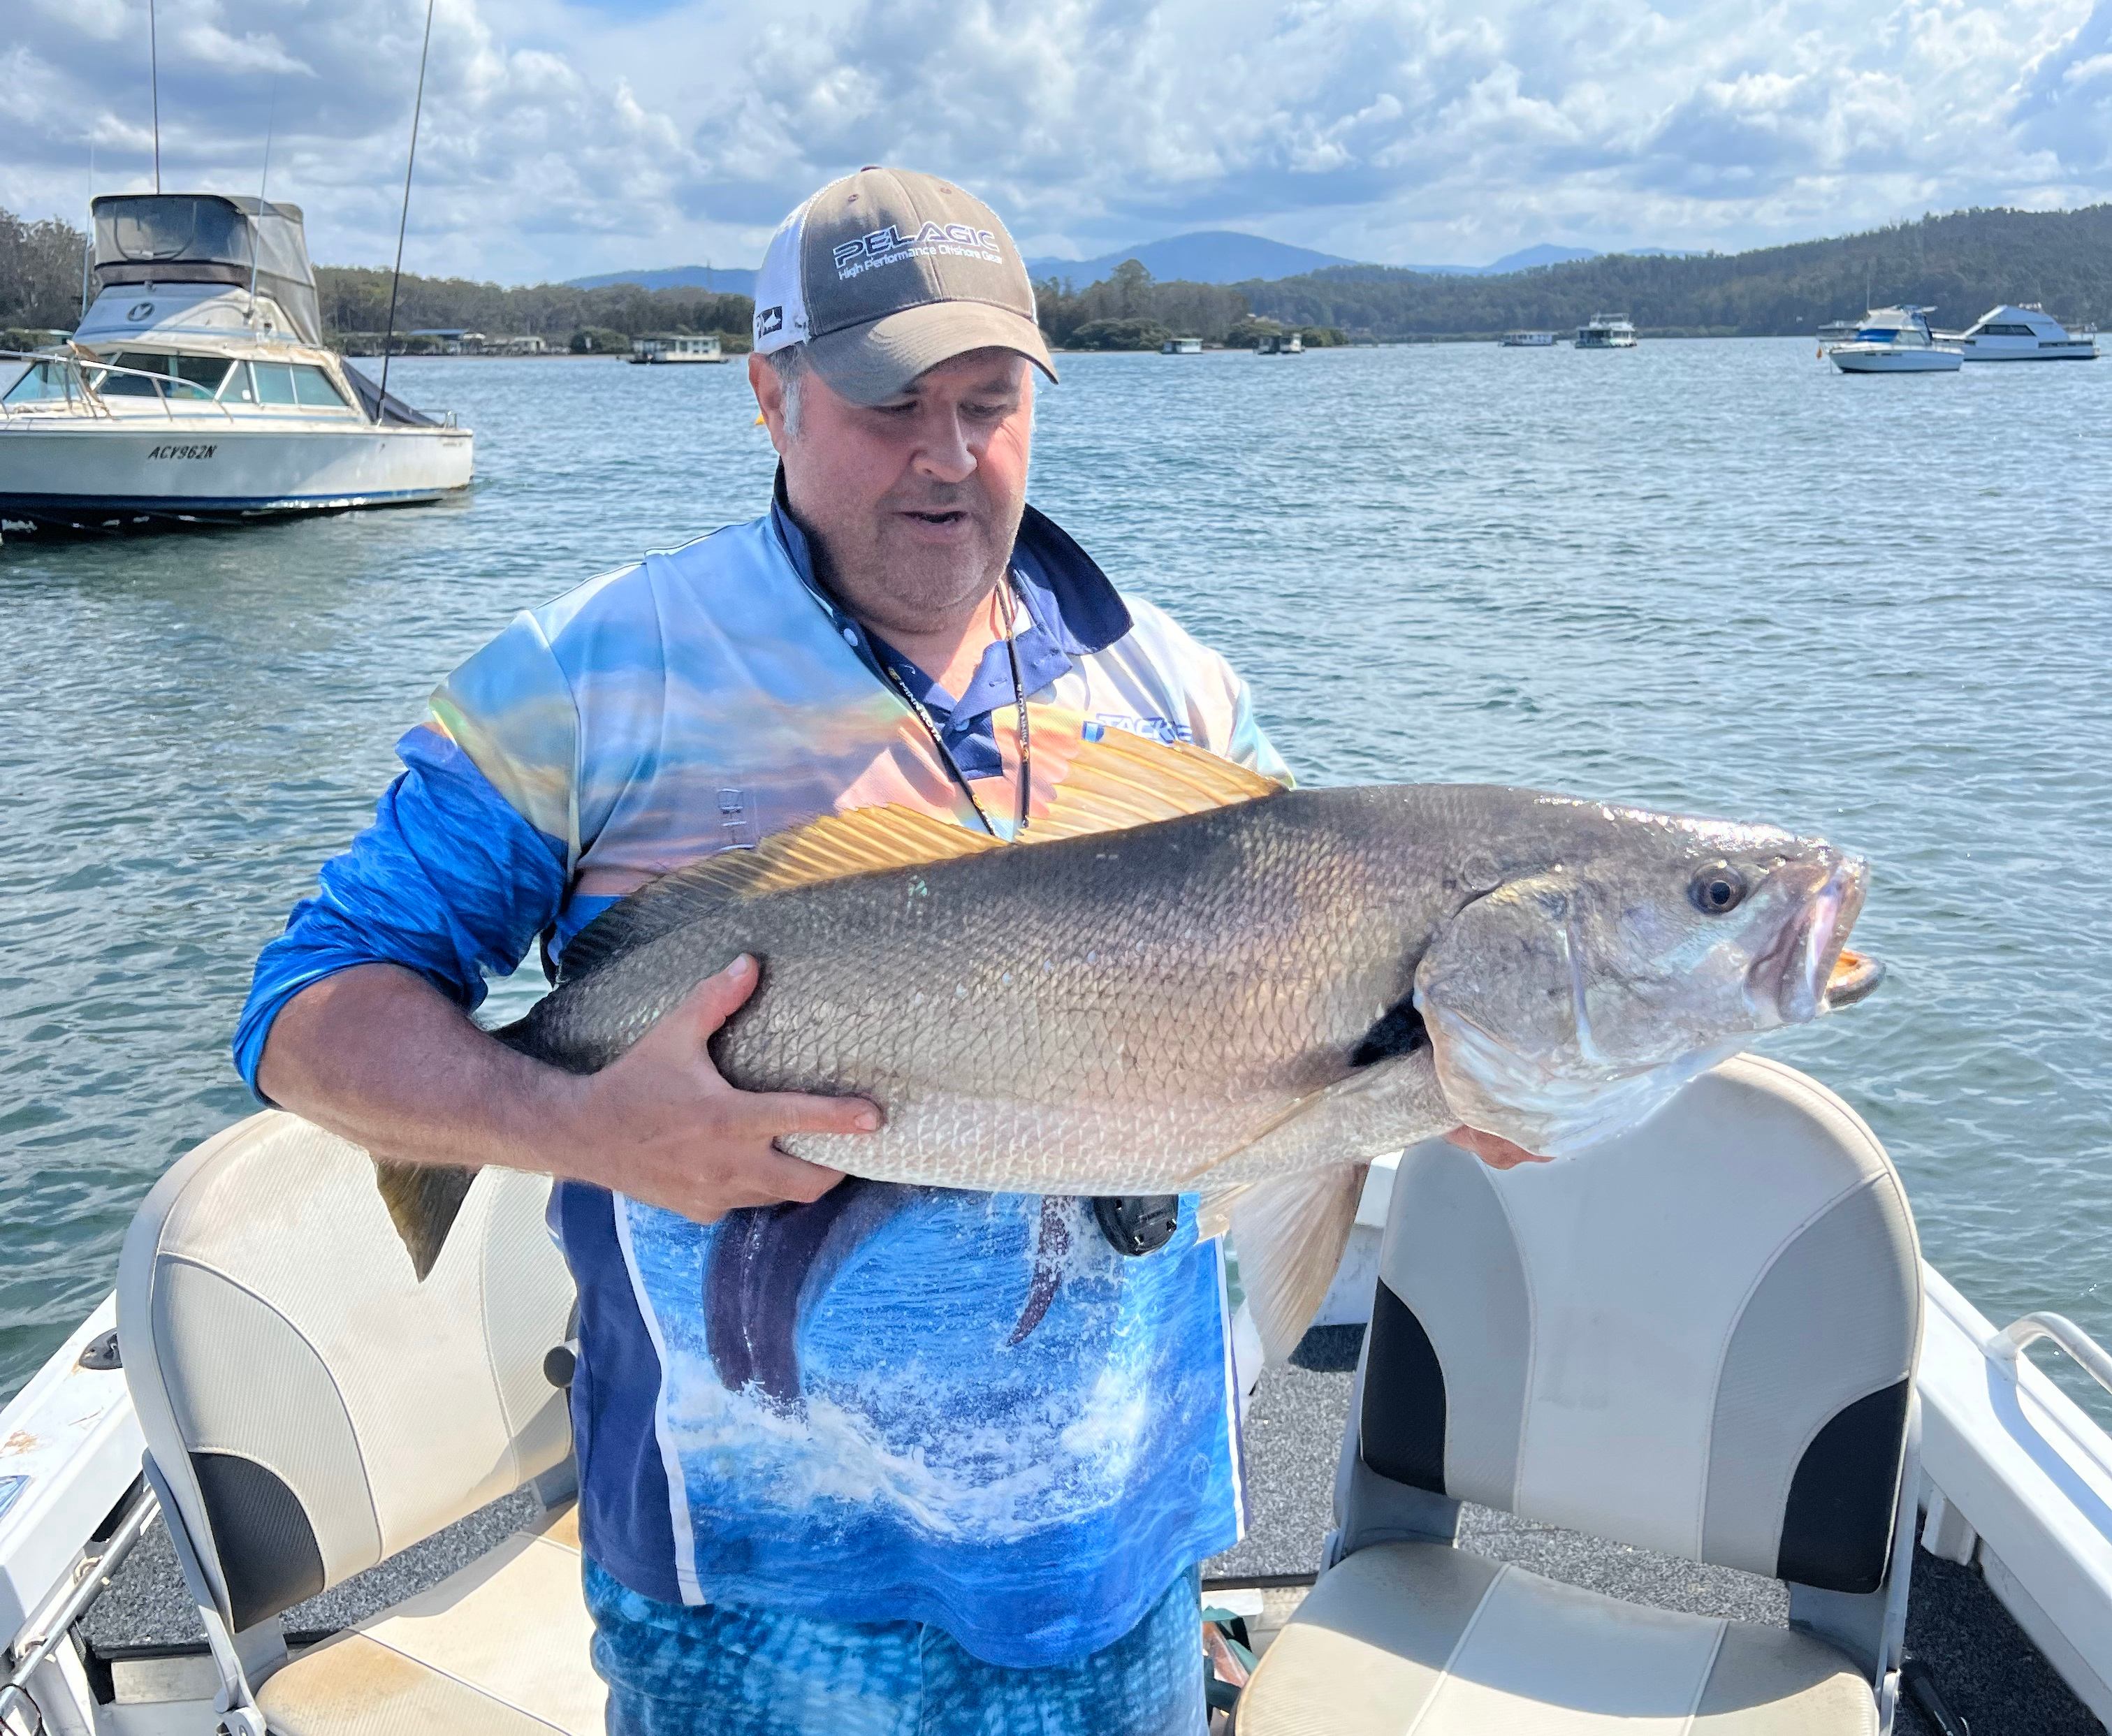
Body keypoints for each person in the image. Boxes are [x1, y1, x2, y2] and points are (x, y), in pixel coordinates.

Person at [238, 166, 1537, 1735]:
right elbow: (308, 1009)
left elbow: (1309, 1055)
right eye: (887, 403)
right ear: (770, 396)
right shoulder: (591, 680)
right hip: (747, 1595)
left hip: (1111, 1569)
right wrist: (567, 1124)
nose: (949, 455)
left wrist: (1460, 1079)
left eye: (991, 401)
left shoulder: (1183, 696)